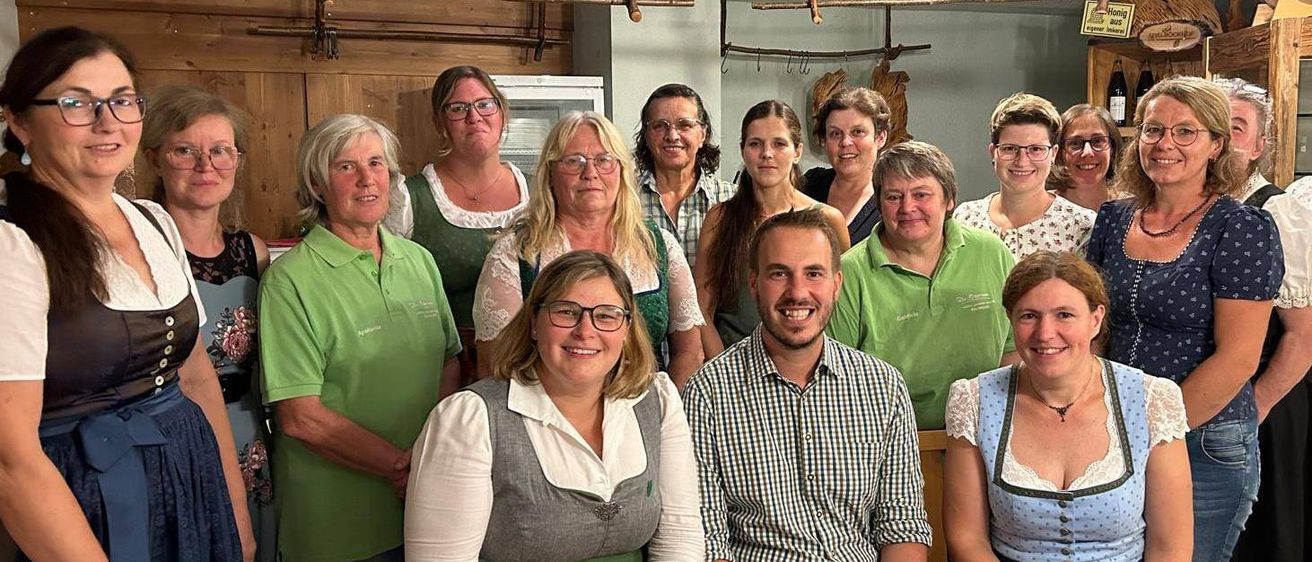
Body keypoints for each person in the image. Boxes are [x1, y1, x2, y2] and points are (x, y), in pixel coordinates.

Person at [0, 26, 251, 561]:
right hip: (82, 503)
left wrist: (235, 516)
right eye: (76, 103)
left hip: (190, 476)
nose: (107, 122)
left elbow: (196, 375)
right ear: (19, 123)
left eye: (122, 101)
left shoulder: (154, 221)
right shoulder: (12, 243)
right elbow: (10, 458)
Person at [1086, 76, 1284, 562]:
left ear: (1217, 144)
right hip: (1113, 429)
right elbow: (1092, 326)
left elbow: (1238, 358)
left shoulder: (1241, 228)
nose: (1165, 144)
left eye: (1185, 132)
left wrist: (1153, 434)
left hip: (1205, 441)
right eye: (1153, 131)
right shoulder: (1113, 218)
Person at [406, 250, 703, 561]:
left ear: (626, 330)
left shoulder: (657, 398)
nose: (585, 331)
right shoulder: (471, 419)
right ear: (533, 323)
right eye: (566, 312)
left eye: (606, 315)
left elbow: (680, 536)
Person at [259, 114, 461, 562]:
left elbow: (449, 361)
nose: (367, 179)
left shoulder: (418, 260)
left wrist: (429, 457)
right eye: (346, 167)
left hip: (425, 510)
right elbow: (300, 416)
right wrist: (405, 468)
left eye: (376, 163)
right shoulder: (289, 281)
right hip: (337, 525)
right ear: (317, 185)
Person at [684, 208, 931, 561]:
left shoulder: (883, 386)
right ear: (754, 284)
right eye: (779, 274)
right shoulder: (708, 393)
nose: (797, 292)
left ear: (836, 284)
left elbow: (902, 525)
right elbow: (708, 541)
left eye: (813, 273)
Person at [944, 251, 1192, 562]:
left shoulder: (1151, 399)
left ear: (1095, 320)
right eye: (1029, 316)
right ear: (1011, 320)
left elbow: (1171, 549)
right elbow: (966, 538)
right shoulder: (974, 400)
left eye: (1064, 315)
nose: (1045, 333)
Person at [472, 111, 705, 387]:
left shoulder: (659, 246)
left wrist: (662, 414)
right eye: (574, 161)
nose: (590, 173)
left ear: (621, 171)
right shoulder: (516, 252)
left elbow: (690, 351)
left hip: (641, 414)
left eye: (604, 160)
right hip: (543, 419)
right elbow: (494, 363)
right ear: (550, 173)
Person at [142, 84, 275, 561]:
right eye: (186, 151)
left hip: (249, 438)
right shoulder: (140, 248)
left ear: (237, 161)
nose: (206, 166)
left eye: (220, 150)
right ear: (155, 158)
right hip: (171, 437)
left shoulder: (252, 251)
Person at [828, 141, 1018, 430]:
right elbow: (838, 380)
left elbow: (1014, 350)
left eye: (921, 194)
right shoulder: (850, 274)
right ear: (878, 204)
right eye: (894, 197)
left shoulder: (991, 253)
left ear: (949, 199)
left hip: (986, 434)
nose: (908, 208)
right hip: (888, 442)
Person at [384, 66, 529, 390]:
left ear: (502, 112)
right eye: (457, 108)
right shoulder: (410, 198)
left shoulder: (538, 194)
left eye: (484, 104)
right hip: (442, 374)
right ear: (440, 122)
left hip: (533, 367)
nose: (474, 116)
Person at [1216, 76, 1312, 562]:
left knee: (1263, 536)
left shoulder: (1280, 211)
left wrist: (1257, 407)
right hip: (1207, 404)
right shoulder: (1195, 210)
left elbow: (1303, 336)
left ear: (1260, 145)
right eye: (1214, 124)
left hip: (1264, 401)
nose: (1223, 139)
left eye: (1236, 127)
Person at [695, 99, 850, 358]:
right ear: (743, 150)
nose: (767, 154)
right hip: (734, 365)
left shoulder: (828, 220)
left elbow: (840, 308)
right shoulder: (720, 219)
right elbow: (701, 309)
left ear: (797, 151)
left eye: (779, 144)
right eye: (756, 144)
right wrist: (723, 369)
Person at [955, 93, 1096, 258]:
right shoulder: (965, 219)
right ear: (993, 153)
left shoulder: (1082, 226)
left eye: (1036, 149)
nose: (1022, 161)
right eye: (1010, 148)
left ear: (1053, 154)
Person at [633, 83, 735, 268]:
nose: (672, 135)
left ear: (703, 134)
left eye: (685, 125)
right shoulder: (624, 199)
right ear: (646, 136)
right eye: (659, 126)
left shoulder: (732, 199)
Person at [803, 86, 892, 245]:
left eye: (857, 132)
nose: (845, 143)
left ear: (880, 138)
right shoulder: (809, 184)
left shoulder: (892, 201)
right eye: (835, 134)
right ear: (823, 140)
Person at [1051, 104, 1123, 211]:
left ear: (1112, 148)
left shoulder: (1133, 210)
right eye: (1075, 143)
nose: (1087, 152)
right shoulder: (1041, 208)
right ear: (1059, 152)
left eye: (1098, 141)